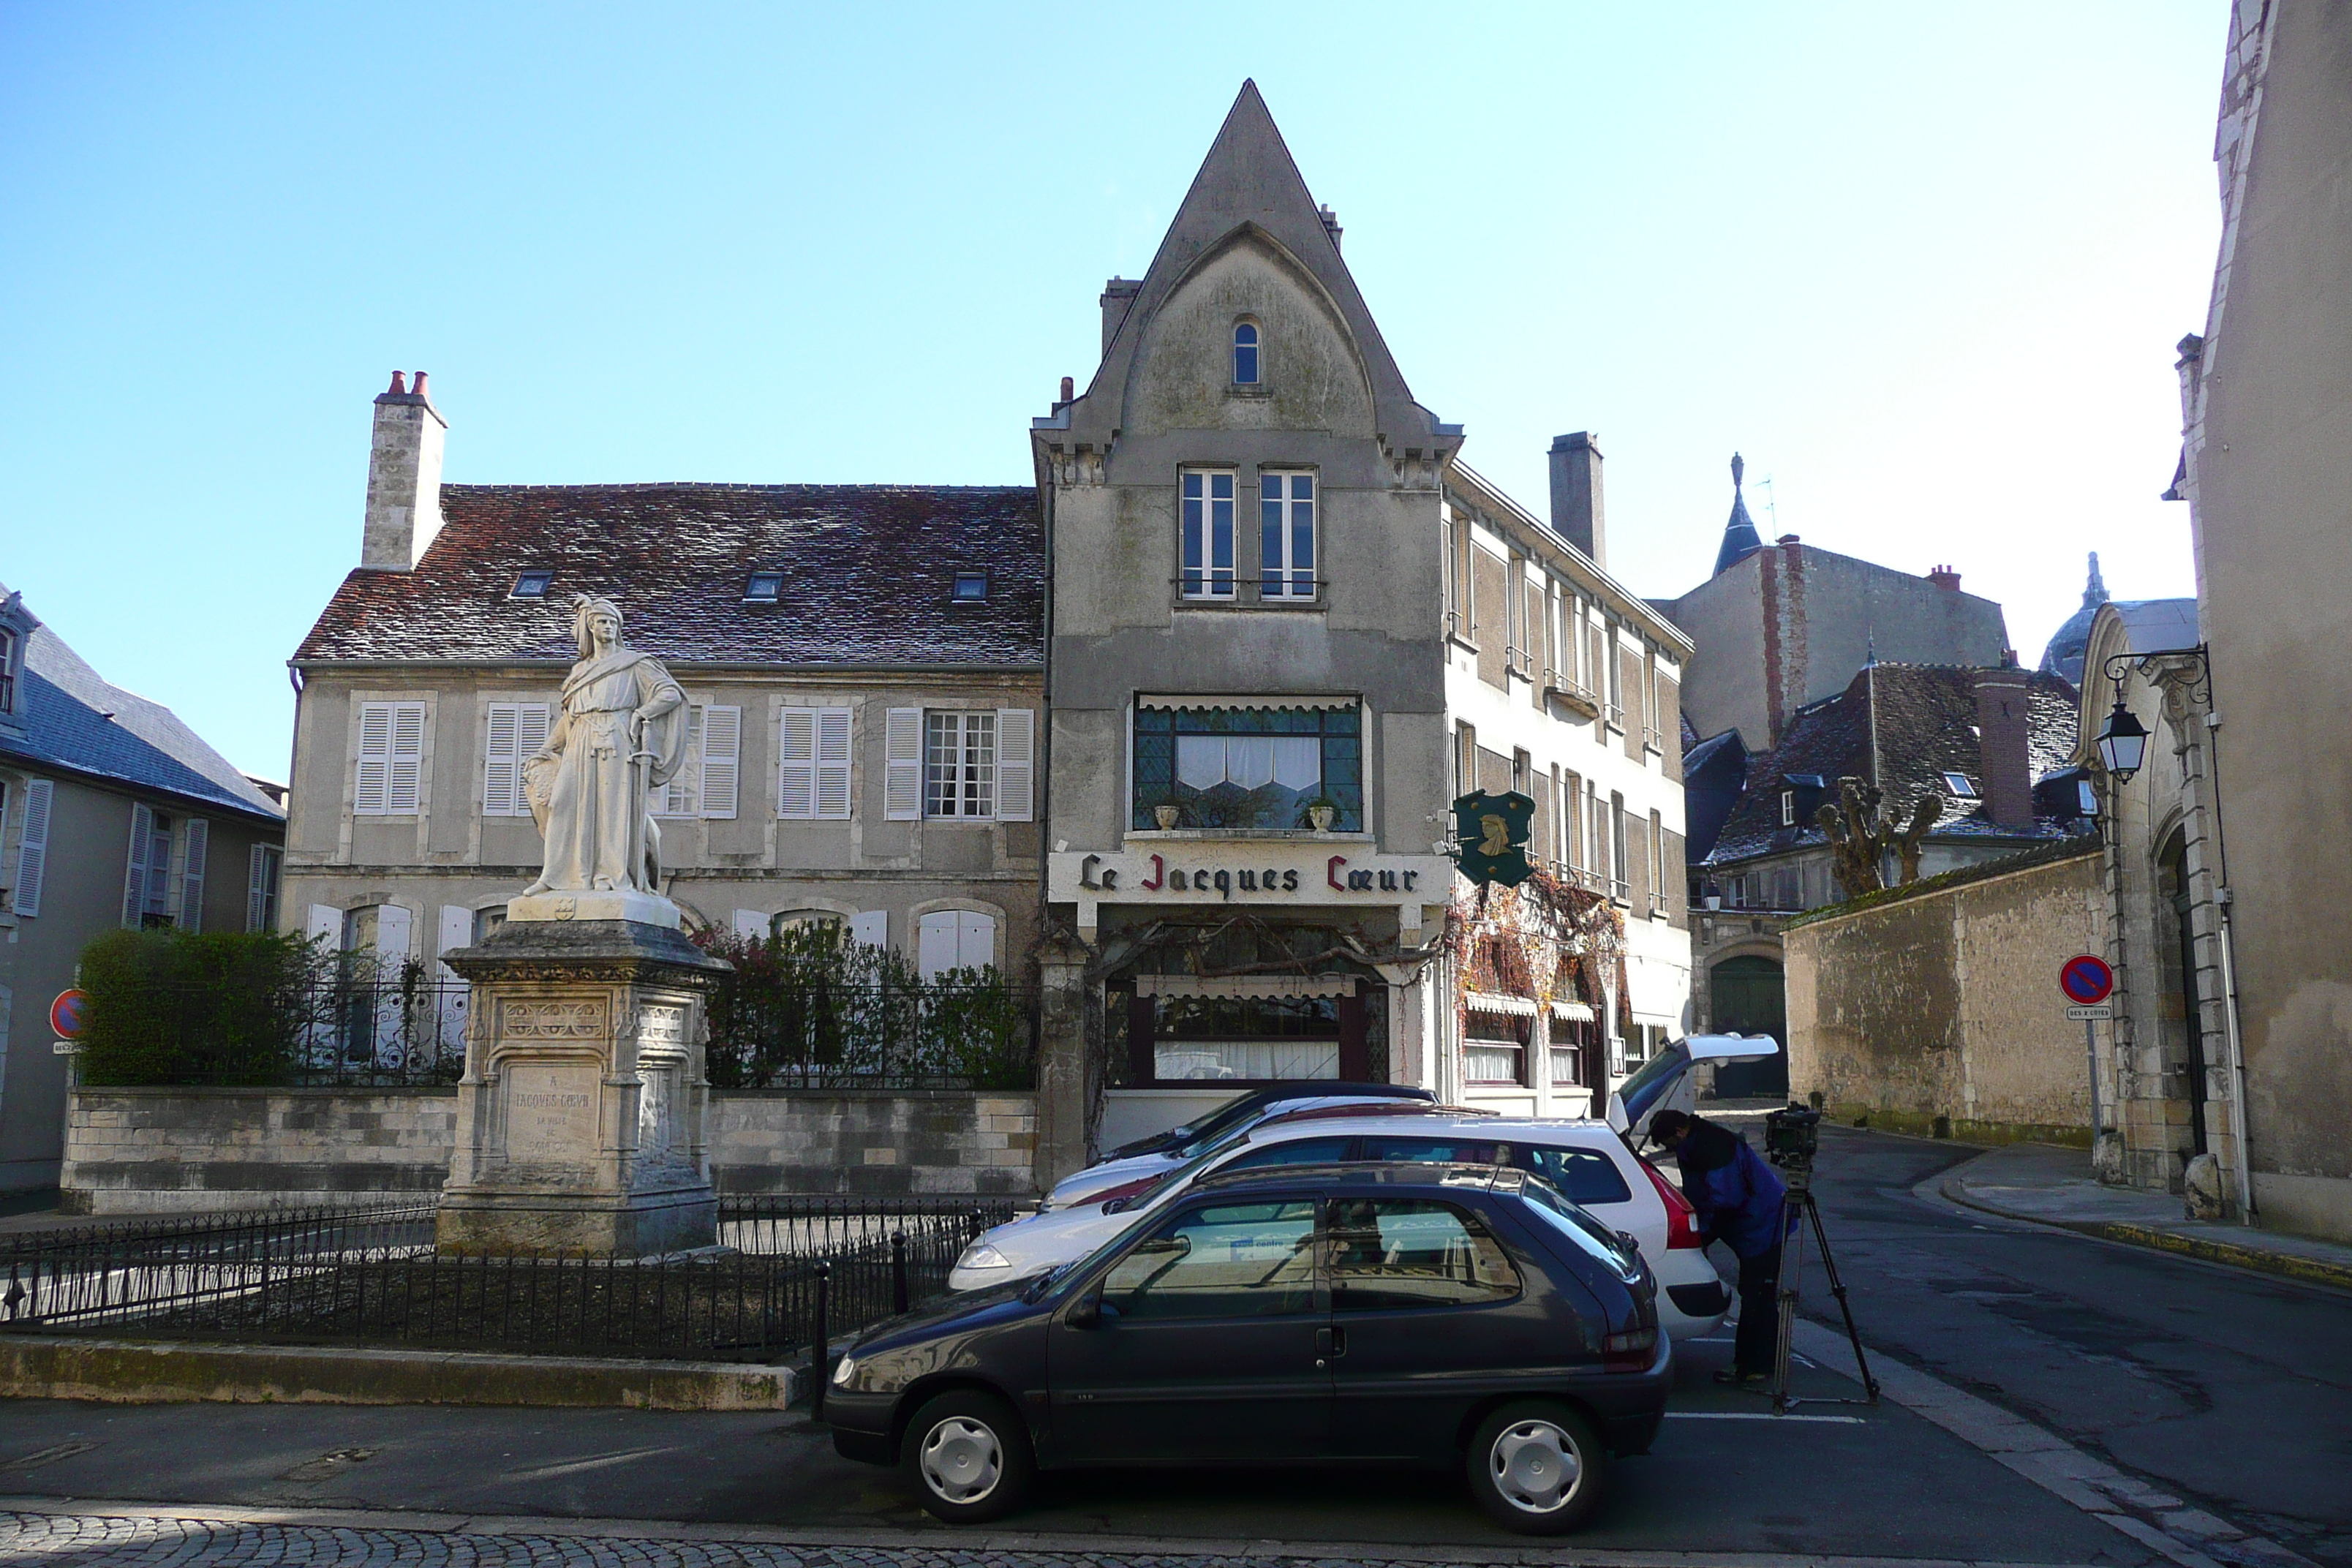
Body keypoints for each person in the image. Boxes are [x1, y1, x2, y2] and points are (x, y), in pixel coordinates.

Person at [1648, 1108, 1797, 1387]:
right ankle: (1765, 1360)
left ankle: (1752, 1366)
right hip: (1754, 1223)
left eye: (1669, 1143)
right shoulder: (1696, 1143)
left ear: (1680, 1132)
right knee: (1759, 1294)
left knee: (1757, 1294)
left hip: (1764, 1223)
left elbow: (1726, 1200)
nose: (1670, 1149)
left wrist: (1702, 1235)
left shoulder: (1714, 1146)